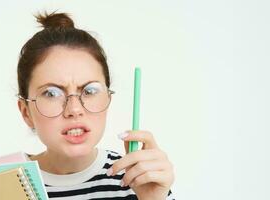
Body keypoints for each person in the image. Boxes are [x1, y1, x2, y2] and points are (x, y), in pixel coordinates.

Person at [16, 11, 175, 200]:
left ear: (108, 98)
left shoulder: (138, 179)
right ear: (26, 112)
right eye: (51, 93)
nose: (74, 109)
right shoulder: (1, 183)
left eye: (89, 91)